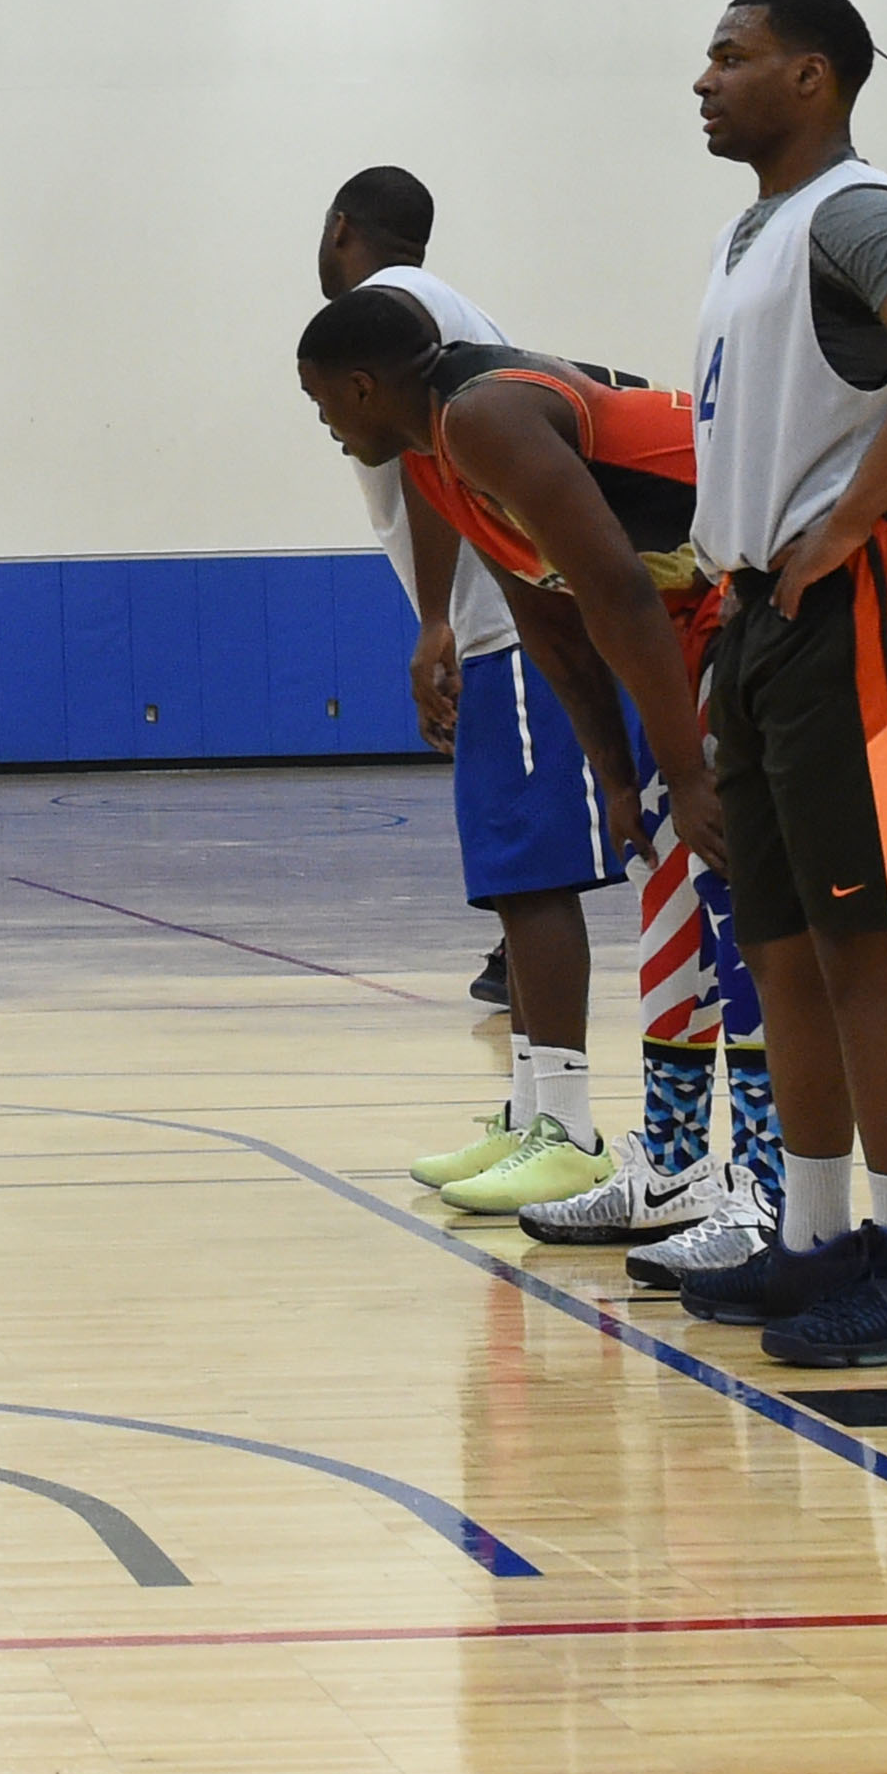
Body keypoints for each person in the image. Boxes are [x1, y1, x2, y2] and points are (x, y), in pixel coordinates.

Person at [664, 0, 887, 1370]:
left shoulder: (855, 211)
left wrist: (858, 513)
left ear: (811, 78)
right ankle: (819, 1240)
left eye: (730, 56)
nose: (704, 78)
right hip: (765, 619)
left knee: (868, 947)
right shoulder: (754, 235)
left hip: (861, 605)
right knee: (785, 954)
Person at [295, 299, 780, 1264]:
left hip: (757, 593)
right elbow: (552, 616)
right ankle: (679, 1167)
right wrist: (611, 769)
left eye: (321, 404)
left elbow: (618, 586)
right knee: (668, 892)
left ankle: (769, 1193)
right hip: (686, 618)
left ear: (362, 387)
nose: (323, 425)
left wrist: (684, 770)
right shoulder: (441, 456)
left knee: (734, 898)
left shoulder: (483, 414)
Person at [316, 172, 623, 1200]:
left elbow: (431, 462)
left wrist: (437, 616)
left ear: (340, 231)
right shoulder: (430, 308)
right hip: (501, 625)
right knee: (508, 876)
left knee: (532, 878)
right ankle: (534, 1114)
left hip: (512, 622)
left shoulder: (400, 310)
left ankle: (568, 1132)